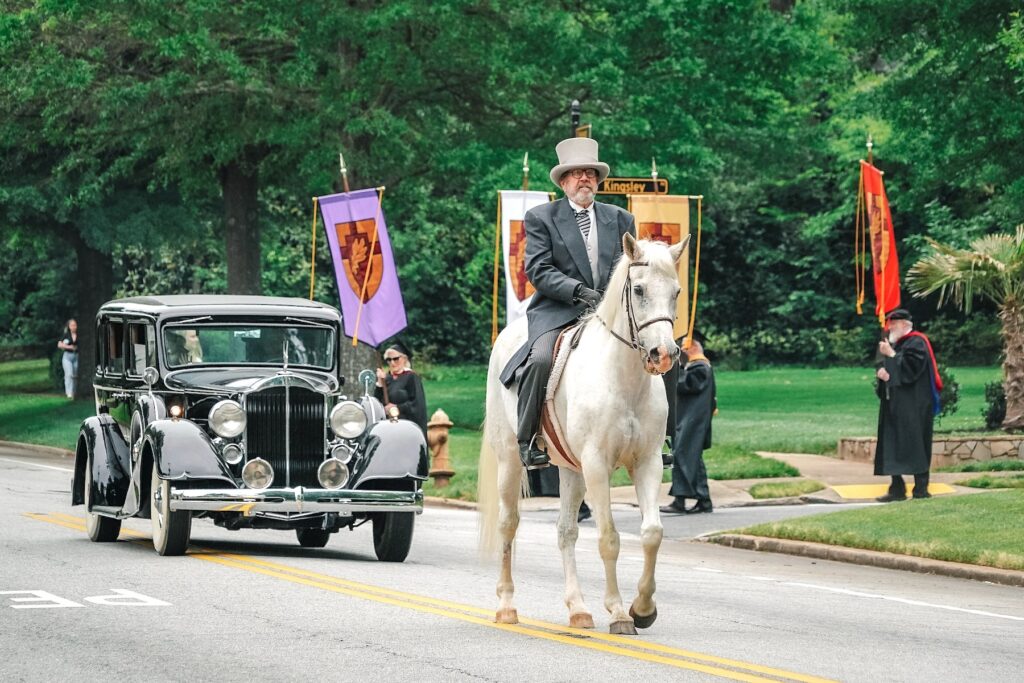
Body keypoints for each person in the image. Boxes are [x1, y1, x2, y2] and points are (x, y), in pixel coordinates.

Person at [499, 137, 637, 469]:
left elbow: (630, 266)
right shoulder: (541, 217)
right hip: (558, 310)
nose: (584, 179)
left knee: (662, 353)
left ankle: (663, 436)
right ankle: (529, 438)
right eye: (576, 174)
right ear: (564, 182)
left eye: (590, 173)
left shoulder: (620, 218)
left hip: (611, 313)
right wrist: (578, 291)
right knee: (541, 359)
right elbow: (538, 269)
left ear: (597, 180)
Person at [874, 309, 943, 502]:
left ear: (905, 324)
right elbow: (891, 371)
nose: (890, 328)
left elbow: (911, 369)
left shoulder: (917, 342)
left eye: (893, 324)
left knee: (916, 444)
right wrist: (883, 375)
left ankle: (921, 489)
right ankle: (897, 489)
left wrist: (892, 355)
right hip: (894, 403)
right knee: (891, 444)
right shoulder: (895, 344)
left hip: (915, 405)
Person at [660, 331, 716, 514]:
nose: (681, 351)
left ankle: (680, 500)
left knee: (683, 456)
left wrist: (670, 366)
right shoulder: (697, 367)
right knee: (693, 459)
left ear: (692, 349)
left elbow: (684, 384)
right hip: (689, 419)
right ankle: (703, 500)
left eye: (683, 348)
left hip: (693, 421)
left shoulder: (700, 368)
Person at [374, 340, 428, 436]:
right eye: (389, 360)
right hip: (388, 427)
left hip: (406, 426)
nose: (392, 363)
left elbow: (417, 404)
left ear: (404, 359)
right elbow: (377, 403)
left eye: (396, 359)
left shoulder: (411, 377)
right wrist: (380, 383)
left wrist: (397, 408)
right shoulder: (386, 378)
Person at [57, 319, 79, 399]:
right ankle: (69, 392)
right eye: (72, 325)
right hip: (67, 356)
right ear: (69, 326)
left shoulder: (79, 335)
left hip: (76, 356)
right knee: (69, 374)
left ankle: (75, 392)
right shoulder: (66, 335)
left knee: (75, 375)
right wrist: (69, 347)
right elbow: (59, 344)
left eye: (75, 325)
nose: (74, 327)